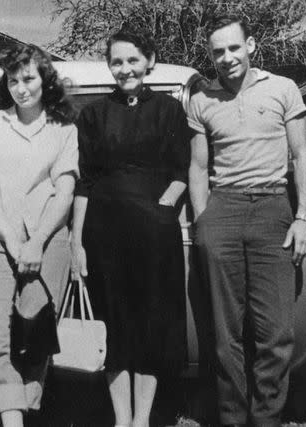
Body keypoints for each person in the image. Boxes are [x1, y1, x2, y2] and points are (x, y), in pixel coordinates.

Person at [188, 16, 306, 427]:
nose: (226, 58)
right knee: (226, 336)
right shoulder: (201, 99)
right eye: (217, 52)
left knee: (275, 334)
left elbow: (301, 156)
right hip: (222, 209)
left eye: (233, 48)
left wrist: (303, 218)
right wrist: (203, 221)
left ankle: (267, 419)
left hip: (272, 208)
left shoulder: (282, 88)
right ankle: (232, 418)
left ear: (251, 45)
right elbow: (197, 165)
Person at [71, 30, 190, 427]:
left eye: (133, 60)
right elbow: (84, 182)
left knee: (150, 328)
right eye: (117, 62)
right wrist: (77, 243)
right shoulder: (92, 115)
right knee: (115, 328)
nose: (125, 69)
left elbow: (181, 171)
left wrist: (163, 208)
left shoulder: (170, 110)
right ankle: (122, 420)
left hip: (155, 236)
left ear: (149, 61)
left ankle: (142, 421)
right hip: (104, 236)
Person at [0, 44, 78, 427]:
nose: (21, 88)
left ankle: (24, 410)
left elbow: (64, 190)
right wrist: (13, 242)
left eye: (28, 78)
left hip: (48, 243)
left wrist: (35, 242)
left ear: (44, 79)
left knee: (36, 338)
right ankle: (12, 421)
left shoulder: (64, 128)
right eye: (13, 80)